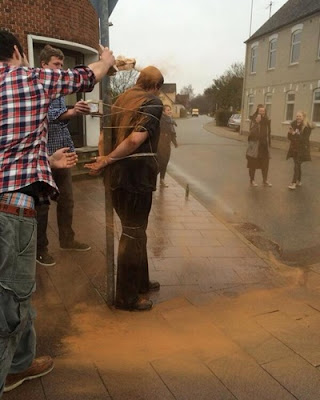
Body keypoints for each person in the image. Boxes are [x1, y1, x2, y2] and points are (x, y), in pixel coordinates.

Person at [0, 30, 115, 395]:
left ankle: (20, 364)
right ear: (18, 52)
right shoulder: (28, 78)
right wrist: (108, 60)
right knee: (12, 299)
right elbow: (86, 76)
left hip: (15, 192)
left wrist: (43, 161)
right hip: (11, 210)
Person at [85, 66, 164, 311]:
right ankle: (126, 297)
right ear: (157, 87)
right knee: (132, 233)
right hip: (136, 178)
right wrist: (108, 160)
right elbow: (135, 140)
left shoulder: (120, 100)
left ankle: (141, 282)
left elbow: (102, 138)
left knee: (137, 230)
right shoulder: (152, 102)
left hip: (118, 178)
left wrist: (104, 160)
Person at [36, 45, 92, 267]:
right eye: (56, 65)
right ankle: (41, 250)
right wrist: (72, 111)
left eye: (62, 65)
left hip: (62, 154)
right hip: (43, 157)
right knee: (42, 205)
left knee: (67, 199)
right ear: (44, 65)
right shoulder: (38, 87)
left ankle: (67, 240)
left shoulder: (59, 90)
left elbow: (61, 116)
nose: (60, 69)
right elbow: (49, 117)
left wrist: (74, 109)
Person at [286, 111, 314, 190]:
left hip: (302, 149)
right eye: (297, 116)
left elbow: (304, 139)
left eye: (300, 116)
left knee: (297, 165)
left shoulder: (307, 127)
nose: (298, 118)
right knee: (297, 165)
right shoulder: (294, 124)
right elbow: (289, 137)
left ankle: (294, 183)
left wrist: (294, 134)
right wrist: (290, 133)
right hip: (294, 148)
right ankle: (299, 181)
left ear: (303, 117)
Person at [246, 105, 272, 187]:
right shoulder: (254, 121)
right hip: (255, 146)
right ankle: (252, 180)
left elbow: (269, 133)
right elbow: (251, 133)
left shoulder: (267, 121)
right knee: (253, 164)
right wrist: (257, 123)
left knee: (265, 164)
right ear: (257, 111)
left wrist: (269, 143)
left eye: (263, 111)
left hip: (264, 146)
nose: (262, 112)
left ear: (265, 112)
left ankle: (265, 180)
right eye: (260, 111)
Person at [157, 104, 178, 187]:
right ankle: (152, 178)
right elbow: (162, 127)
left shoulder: (170, 120)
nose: (170, 111)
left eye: (170, 110)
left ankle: (162, 179)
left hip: (167, 142)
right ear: (163, 111)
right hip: (161, 142)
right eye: (168, 110)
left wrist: (175, 142)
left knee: (165, 162)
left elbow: (172, 132)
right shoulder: (161, 119)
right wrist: (171, 121)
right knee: (161, 161)